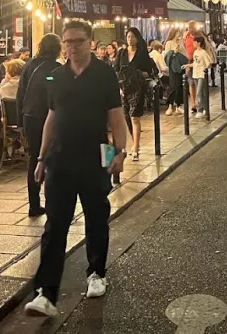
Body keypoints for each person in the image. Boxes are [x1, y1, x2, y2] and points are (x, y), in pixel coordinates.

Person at [24, 20, 125, 318]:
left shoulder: (105, 74)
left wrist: (119, 152)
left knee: (96, 217)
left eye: (78, 42)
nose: (71, 47)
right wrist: (41, 159)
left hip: (95, 156)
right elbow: (51, 119)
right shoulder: (55, 77)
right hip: (60, 160)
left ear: (90, 42)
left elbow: (116, 117)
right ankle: (46, 292)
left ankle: (96, 272)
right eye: (67, 43)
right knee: (55, 225)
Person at [18, 34, 62, 217]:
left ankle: (34, 204)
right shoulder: (58, 68)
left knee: (34, 158)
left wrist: (20, 122)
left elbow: (20, 93)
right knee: (53, 158)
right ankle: (53, 201)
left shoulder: (28, 65)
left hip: (29, 117)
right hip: (49, 118)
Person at [115, 28, 157, 159]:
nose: (130, 39)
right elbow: (116, 70)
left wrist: (136, 73)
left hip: (137, 88)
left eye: (133, 36)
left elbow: (148, 71)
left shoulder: (141, 53)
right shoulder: (121, 53)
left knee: (135, 117)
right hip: (124, 89)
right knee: (127, 117)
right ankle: (134, 142)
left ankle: (136, 148)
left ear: (137, 38)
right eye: (128, 36)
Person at [164, 28, 188, 116]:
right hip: (173, 67)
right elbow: (166, 55)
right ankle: (170, 105)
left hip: (181, 66)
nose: (179, 34)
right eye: (178, 32)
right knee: (173, 86)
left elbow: (185, 53)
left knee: (180, 86)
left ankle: (178, 105)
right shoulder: (169, 43)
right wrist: (174, 52)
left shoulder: (181, 42)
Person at [190, 36, 214, 118]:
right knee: (201, 92)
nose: (193, 44)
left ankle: (200, 109)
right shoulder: (195, 52)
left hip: (201, 74)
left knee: (199, 92)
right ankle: (205, 108)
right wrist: (188, 65)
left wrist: (205, 69)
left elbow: (209, 63)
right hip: (195, 73)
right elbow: (195, 62)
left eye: (194, 42)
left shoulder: (203, 52)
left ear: (198, 43)